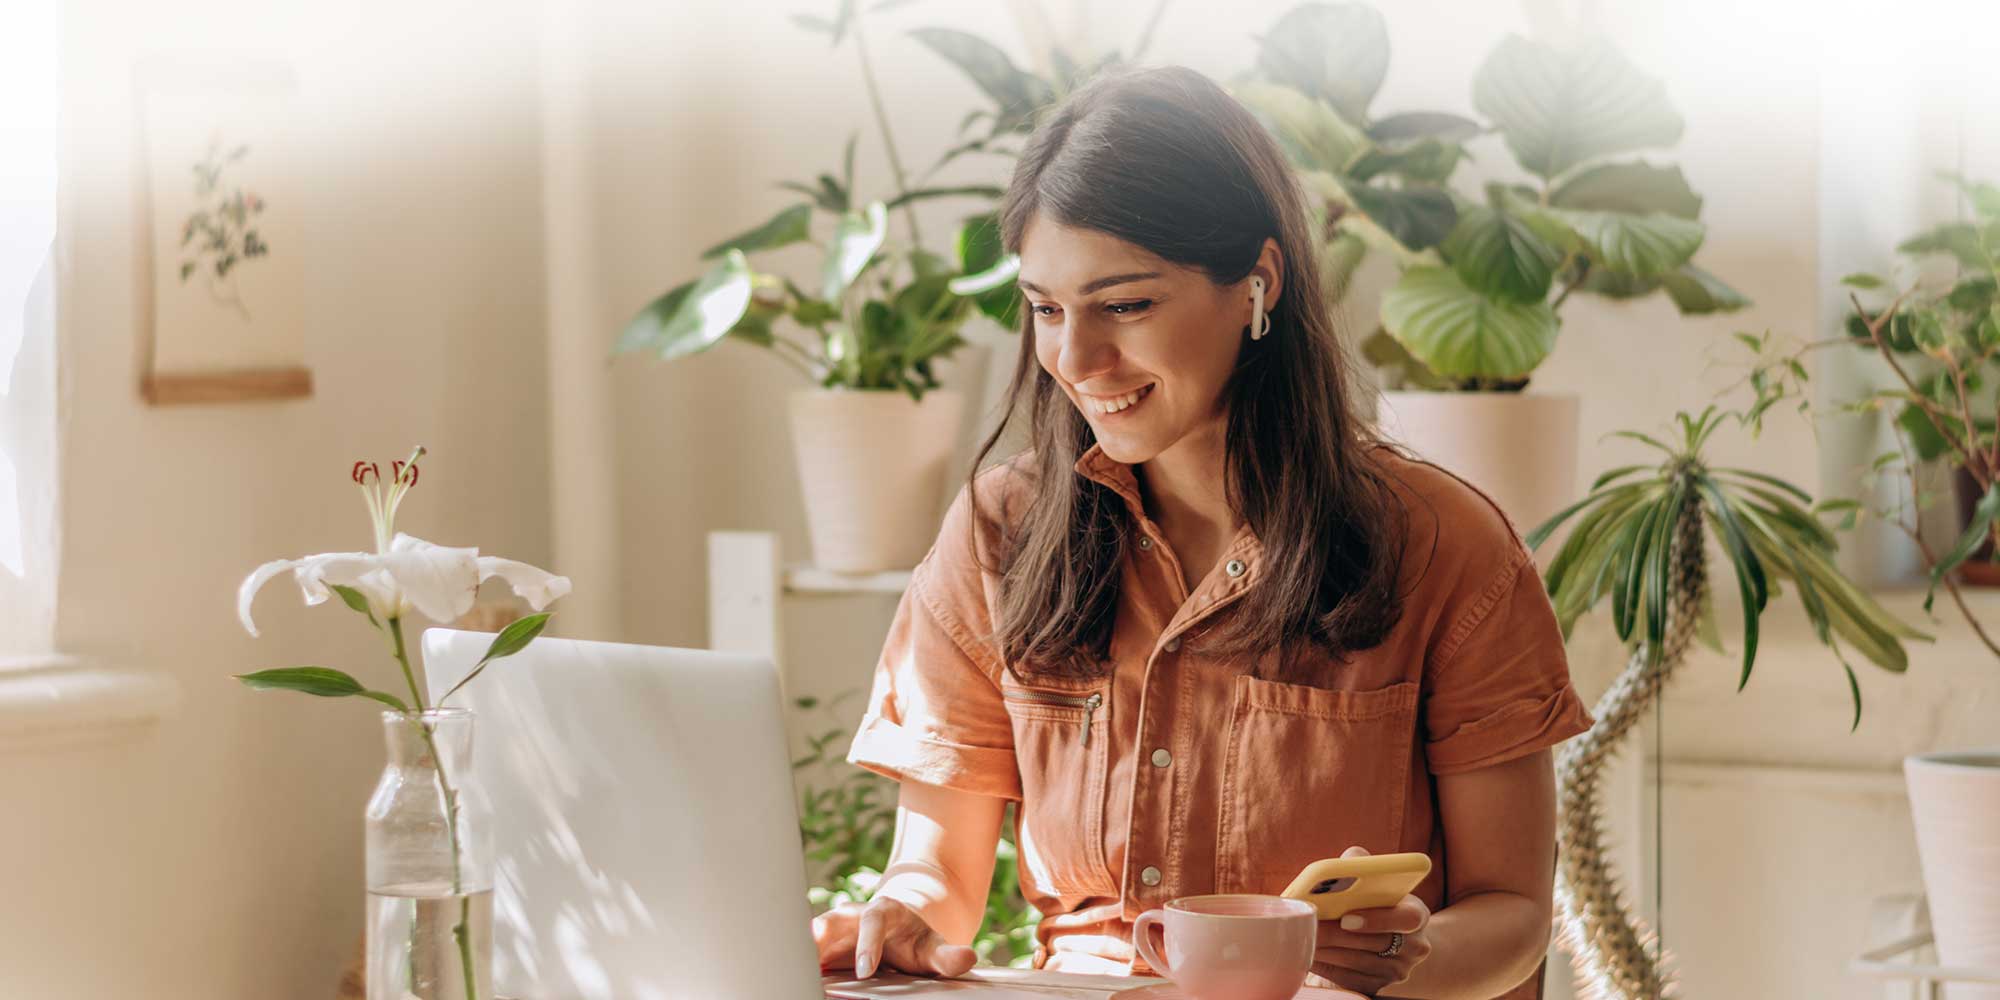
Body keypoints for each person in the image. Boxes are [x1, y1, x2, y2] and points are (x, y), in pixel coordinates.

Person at [811, 64, 1595, 999]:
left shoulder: (1443, 543)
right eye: (1046, 308)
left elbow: (1513, 912)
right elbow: (938, 880)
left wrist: (1389, 964)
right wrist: (898, 917)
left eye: (1127, 304)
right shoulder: (999, 531)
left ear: (1257, 283)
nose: (1074, 358)